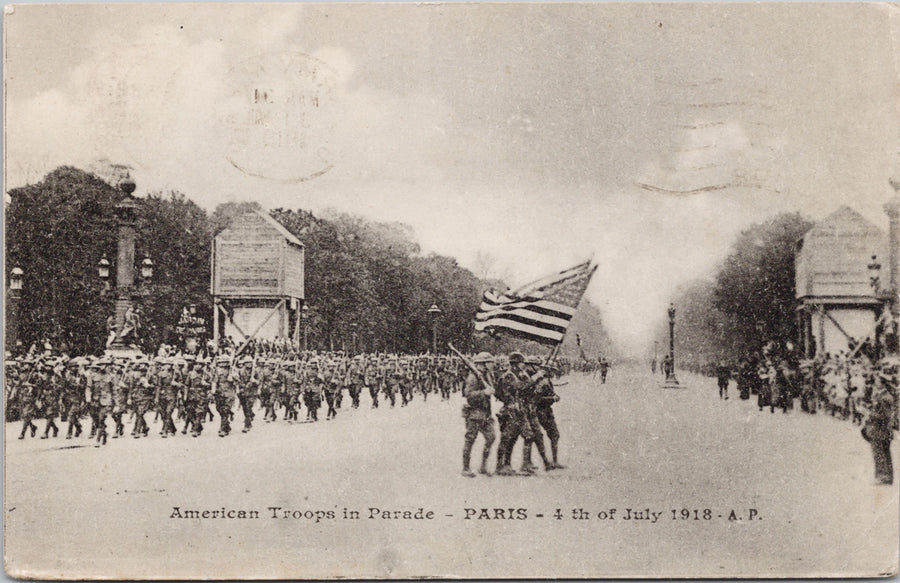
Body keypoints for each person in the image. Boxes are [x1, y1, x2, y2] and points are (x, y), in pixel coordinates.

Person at [461, 352, 496, 477]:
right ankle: (465, 468)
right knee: (470, 440)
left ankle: (483, 466)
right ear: (483, 363)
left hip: (485, 413)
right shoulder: (473, 377)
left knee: (491, 437)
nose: (492, 364)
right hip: (474, 413)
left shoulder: (486, 375)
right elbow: (469, 395)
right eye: (489, 362)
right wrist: (484, 393)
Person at [862, 392, 896, 485]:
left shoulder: (885, 397)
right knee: (883, 453)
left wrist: (870, 413)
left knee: (879, 453)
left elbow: (886, 415)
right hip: (881, 431)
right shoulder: (883, 395)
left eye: (878, 379)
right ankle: (886, 477)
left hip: (880, 431)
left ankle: (883, 477)